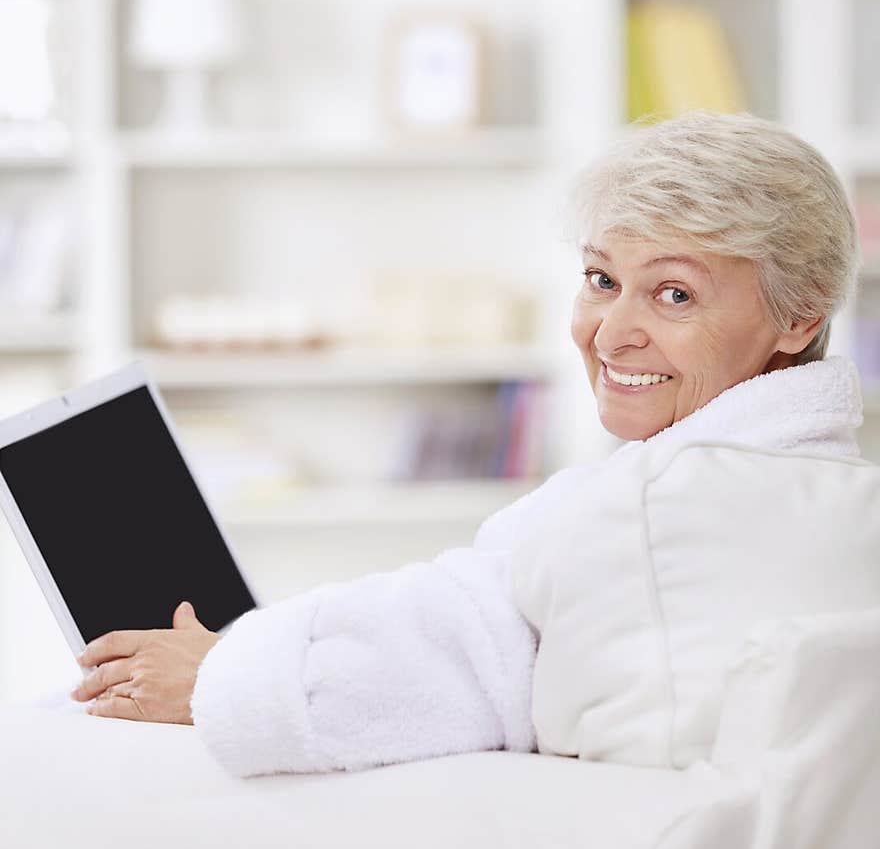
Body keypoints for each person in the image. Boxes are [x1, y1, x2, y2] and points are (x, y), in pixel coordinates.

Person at [70, 110, 865, 777]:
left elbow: (456, 651)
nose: (614, 333)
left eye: (674, 293)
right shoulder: (835, 498)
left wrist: (221, 676)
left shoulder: (645, 516)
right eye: (601, 280)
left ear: (799, 315)